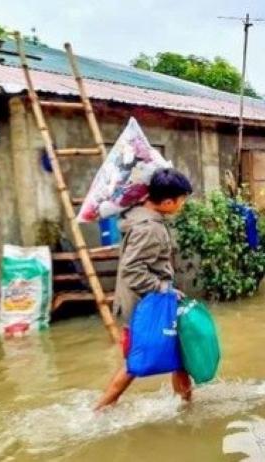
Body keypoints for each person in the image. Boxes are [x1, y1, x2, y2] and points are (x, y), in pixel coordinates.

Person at [95, 168, 193, 411]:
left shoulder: (139, 214)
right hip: (143, 306)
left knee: (179, 356)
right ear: (168, 202)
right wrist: (162, 288)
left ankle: (187, 405)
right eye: (182, 201)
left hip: (152, 301)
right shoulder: (149, 228)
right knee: (134, 364)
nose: (183, 205)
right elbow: (133, 270)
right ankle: (99, 411)